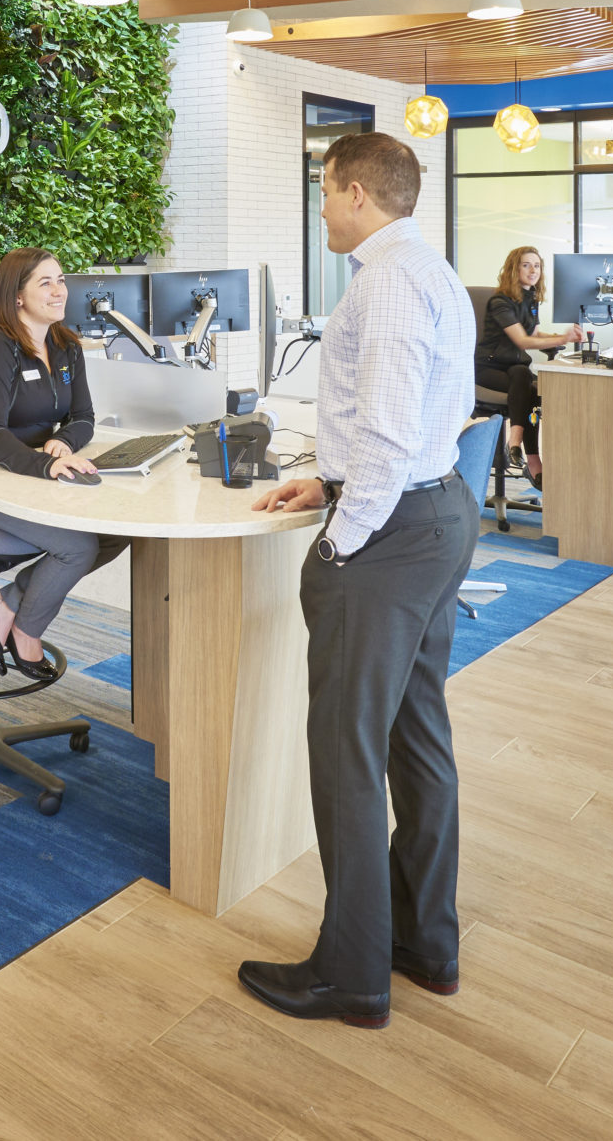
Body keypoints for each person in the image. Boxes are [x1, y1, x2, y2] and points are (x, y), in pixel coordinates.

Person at [244, 131, 478, 1029]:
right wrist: (331, 480)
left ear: (354, 194)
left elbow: (384, 430)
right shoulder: (434, 273)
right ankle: (424, 940)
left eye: (325, 193)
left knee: (346, 754)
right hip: (440, 509)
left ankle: (351, 975)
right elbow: (436, 412)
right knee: (417, 739)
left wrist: (341, 537)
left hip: (391, 536)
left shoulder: (382, 283)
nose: (322, 209)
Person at [0, 248, 128, 677]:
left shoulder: (64, 344)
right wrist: (45, 467)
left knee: (116, 531)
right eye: (45, 282)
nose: (59, 291)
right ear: (17, 295)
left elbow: (83, 417)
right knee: (77, 546)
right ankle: (27, 631)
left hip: (25, 474)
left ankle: (8, 603)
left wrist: (62, 441)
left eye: (61, 280)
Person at [475, 245, 575, 482]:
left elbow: (535, 334)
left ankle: (516, 445)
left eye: (537, 265)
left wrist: (562, 337)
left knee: (526, 379)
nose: (533, 270)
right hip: (488, 368)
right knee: (526, 382)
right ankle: (531, 459)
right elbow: (521, 340)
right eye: (526, 265)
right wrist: (563, 338)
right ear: (513, 269)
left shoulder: (530, 299)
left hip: (514, 369)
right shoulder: (500, 302)